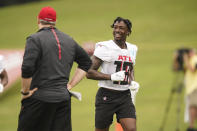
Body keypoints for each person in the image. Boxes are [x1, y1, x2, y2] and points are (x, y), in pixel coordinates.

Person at [17, 6, 92, 131]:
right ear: (55, 22)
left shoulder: (34, 39)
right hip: (63, 99)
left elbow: (27, 67)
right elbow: (86, 62)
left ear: (38, 20)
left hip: (38, 99)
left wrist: (25, 92)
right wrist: (70, 85)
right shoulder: (69, 40)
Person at [86, 17, 138, 131]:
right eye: (115, 27)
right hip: (106, 95)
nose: (117, 30)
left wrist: (132, 81)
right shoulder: (105, 47)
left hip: (125, 96)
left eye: (121, 28)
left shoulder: (133, 48)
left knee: (131, 129)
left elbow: (129, 67)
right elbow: (89, 72)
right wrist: (111, 77)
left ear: (128, 31)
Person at [184, 49, 197, 131]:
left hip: (194, 87)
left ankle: (191, 127)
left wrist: (185, 60)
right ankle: (191, 126)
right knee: (192, 106)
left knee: (193, 106)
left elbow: (193, 69)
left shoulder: (195, 59)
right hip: (191, 87)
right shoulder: (190, 60)